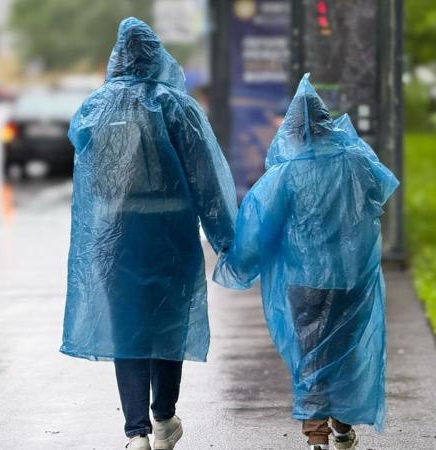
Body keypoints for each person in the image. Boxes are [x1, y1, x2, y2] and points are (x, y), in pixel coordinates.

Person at [60, 17, 237, 450]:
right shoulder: (177, 106)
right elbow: (206, 179)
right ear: (157, 56)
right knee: (167, 323)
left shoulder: (94, 108)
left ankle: (135, 430)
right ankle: (163, 418)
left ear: (117, 57)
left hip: (115, 238)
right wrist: (226, 238)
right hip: (170, 234)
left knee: (128, 329)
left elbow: (88, 178)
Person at [214, 74, 399, 450]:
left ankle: (316, 436)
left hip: (306, 279)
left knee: (311, 351)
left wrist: (236, 260)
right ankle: (344, 427)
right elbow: (379, 195)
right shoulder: (357, 162)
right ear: (327, 124)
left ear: (294, 131)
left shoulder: (285, 173)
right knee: (345, 351)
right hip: (351, 276)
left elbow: (259, 224)